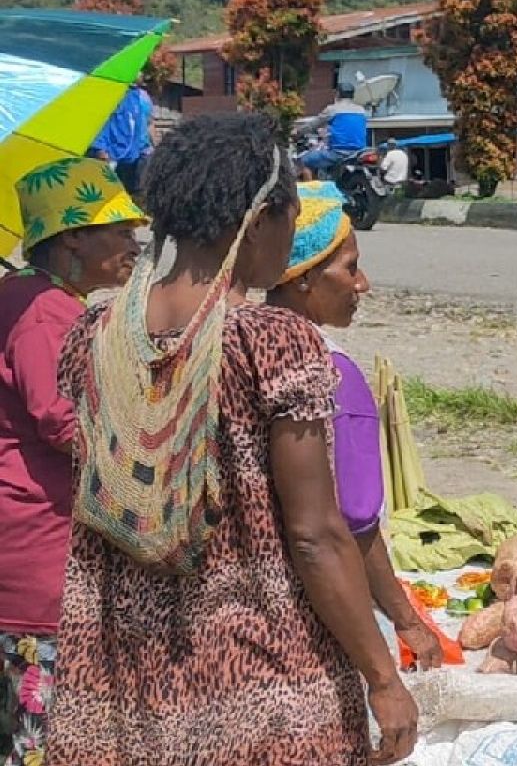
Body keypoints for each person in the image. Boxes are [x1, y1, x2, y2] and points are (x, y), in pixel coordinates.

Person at [46, 113, 417, 765]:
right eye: (290, 212)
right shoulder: (269, 341)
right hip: (260, 675)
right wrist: (383, 678)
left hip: (129, 679)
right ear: (258, 217)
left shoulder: (96, 336)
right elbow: (316, 535)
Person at [0, 158, 143, 766]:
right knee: (42, 735)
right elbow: (63, 421)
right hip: (41, 543)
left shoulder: (26, 297)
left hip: (30, 529)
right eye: (119, 231)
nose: (134, 243)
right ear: (73, 239)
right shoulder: (43, 313)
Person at [266, 181, 440, 668]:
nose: (362, 284)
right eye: (350, 268)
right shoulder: (332, 372)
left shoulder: (241, 342)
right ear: (303, 277)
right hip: (323, 614)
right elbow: (355, 520)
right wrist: (407, 622)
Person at [89, 84, 152, 195]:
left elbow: (144, 125)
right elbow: (100, 122)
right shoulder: (111, 91)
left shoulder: (138, 95)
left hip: (132, 157)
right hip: (109, 155)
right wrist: (100, 148)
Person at [297, 82, 369, 179]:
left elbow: (313, 125)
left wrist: (297, 132)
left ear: (338, 94)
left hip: (339, 153)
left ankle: (311, 191)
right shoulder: (361, 110)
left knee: (302, 161)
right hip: (360, 152)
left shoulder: (332, 109)